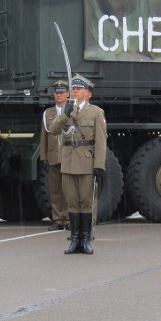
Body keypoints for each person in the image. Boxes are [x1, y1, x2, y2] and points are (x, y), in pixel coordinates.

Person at [51, 74, 106, 255]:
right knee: (72, 202)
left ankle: (85, 239)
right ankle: (74, 240)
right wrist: (65, 113)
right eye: (74, 89)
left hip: (86, 162)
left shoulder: (96, 112)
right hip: (68, 161)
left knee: (86, 202)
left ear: (88, 94)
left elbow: (100, 141)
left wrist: (99, 165)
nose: (75, 91)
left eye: (79, 89)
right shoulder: (67, 110)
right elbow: (54, 130)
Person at [39, 80, 70, 231]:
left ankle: (69, 219)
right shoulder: (48, 113)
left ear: (67, 94)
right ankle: (58, 220)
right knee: (55, 190)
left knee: (69, 190)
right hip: (53, 157)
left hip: (69, 157)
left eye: (61, 92)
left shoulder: (72, 111)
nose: (59, 95)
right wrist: (43, 157)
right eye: (57, 93)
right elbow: (43, 137)